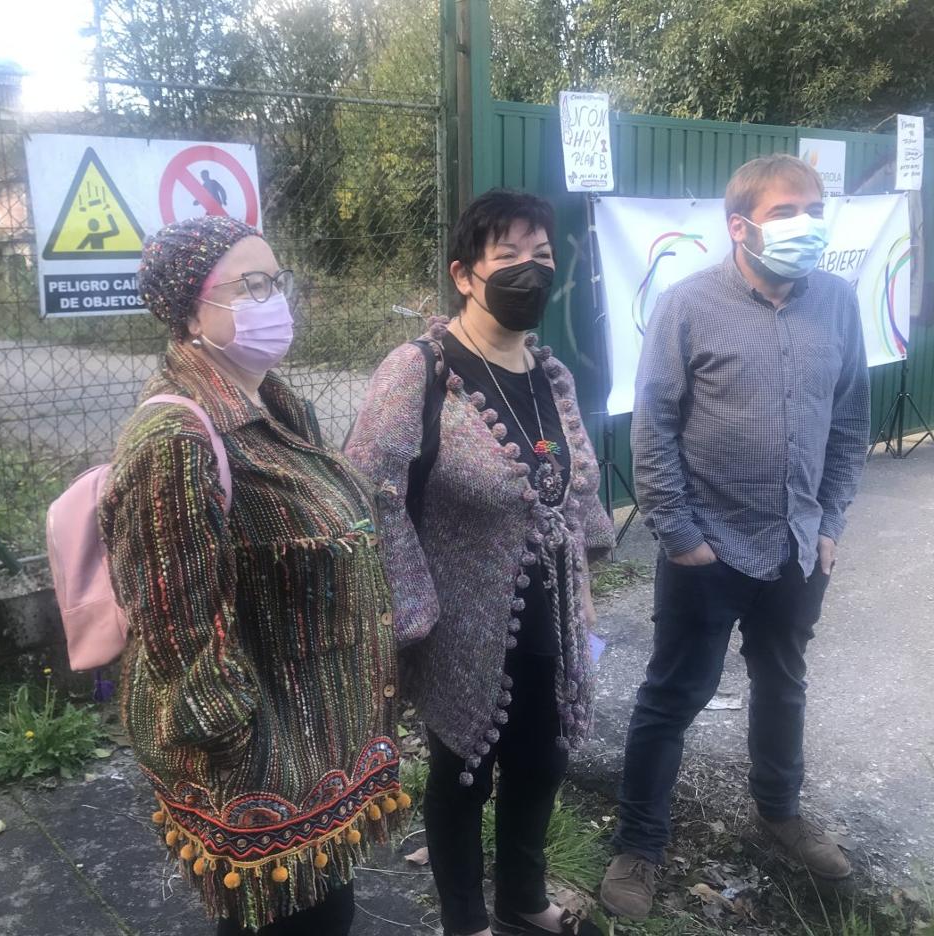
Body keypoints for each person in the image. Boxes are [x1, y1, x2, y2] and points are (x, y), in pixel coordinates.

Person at [100, 216, 408, 935]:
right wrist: (244, 748)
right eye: (253, 285)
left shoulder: (277, 405)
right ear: (190, 311)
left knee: (327, 914)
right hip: (267, 767)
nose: (277, 300)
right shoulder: (175, 440)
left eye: (278, 281)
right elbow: (177, 627)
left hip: (315, 741)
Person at [600, 154, 871, 920]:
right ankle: (640, 843)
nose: (807, 225)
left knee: (782, 684)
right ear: (740, 226)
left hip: (796, 546)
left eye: (815, 209)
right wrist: (679, 534)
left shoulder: (840, 305)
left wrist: (830, 522)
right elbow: (651, 428)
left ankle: (778, 813)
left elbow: (849, 423)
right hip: (706, 547)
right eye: (789, 212)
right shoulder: (687, 306)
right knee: (672, 695)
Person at [346, 189, 614, 936]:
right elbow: (370, 490)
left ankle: (524, 902)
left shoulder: (549, 374)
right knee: (463, 772)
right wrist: (412, 611)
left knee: (543, 761)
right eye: (510, 258)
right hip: (460, 624)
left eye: (543, 257)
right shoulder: (420, 370)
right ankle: (465, 922)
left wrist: (585, 585)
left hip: (551, 617)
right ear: (465, 274)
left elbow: (576, 486)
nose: (531, 271)